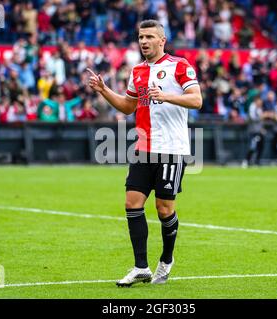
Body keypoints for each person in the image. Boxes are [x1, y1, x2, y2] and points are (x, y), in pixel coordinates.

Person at [87, 19, 202, 287]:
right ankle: (141, 267)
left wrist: (166, 96)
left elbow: (197, 100)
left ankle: (167, 259)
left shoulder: (179, 66)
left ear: (162, 40)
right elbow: (128, 106)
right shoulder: (137, 71)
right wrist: (104, 90)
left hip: (171, 149)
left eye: (150, 36)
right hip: (143, 147)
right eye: (140, 37)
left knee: (164, 209)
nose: (144, 41)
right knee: (132, 203)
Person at [242, 95, 267, 168]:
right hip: (253, 131)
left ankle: (257, 161)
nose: (261, 103)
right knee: (252, 146)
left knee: (261, 146)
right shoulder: (252, 107)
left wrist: (262, 128)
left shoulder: (259, 109)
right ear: (256, 101)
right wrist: (262, 116)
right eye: (260, 101)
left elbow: (260, 121)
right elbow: (253, 118)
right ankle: (246, 161)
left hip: (259, 131)